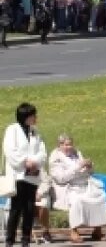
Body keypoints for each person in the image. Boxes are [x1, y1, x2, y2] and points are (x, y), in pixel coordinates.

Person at [48, 133, 106, 242]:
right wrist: (78, 167)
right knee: (76, 200)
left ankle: (97, 230)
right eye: (66, 145)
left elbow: (89, 173)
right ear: (59, 145)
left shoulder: (77, 153)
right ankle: (74, 231)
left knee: (101, 196)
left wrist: (89, 167)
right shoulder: (55, 157)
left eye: (70, 145)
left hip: (84, 184)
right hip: (68, 187)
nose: (69, 147)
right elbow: (61, 178)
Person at [3, 102, 46, 247]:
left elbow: (42, 152)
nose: (35, 118)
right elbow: (10, 151)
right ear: (26, 116)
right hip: (18, 175)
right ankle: (10, 240)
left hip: (32, 175)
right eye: (33, 115)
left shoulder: (34, 131)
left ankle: (25, 240)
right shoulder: (12, 130)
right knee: (16, 208)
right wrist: (24, 161)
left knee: (29, 209)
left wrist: (34, 162)